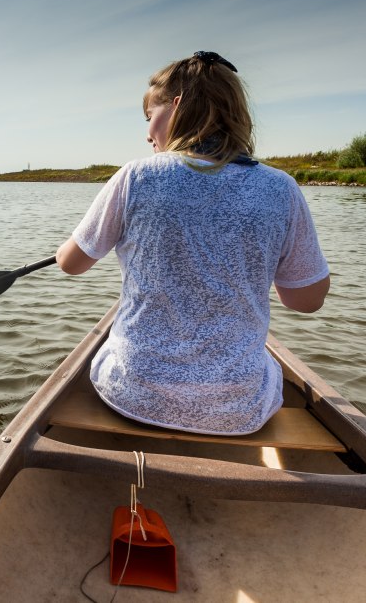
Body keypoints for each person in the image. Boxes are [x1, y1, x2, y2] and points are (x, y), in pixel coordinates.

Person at [56, 51, 330, 435]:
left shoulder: (136, 176)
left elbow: (70, 263)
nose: (148, 132)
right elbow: (307, 301)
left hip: (133, 394)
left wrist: (73, 245)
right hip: (238, 409)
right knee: (266, 369)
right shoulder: (281, 188)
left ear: (178, 105)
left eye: (150, 117)